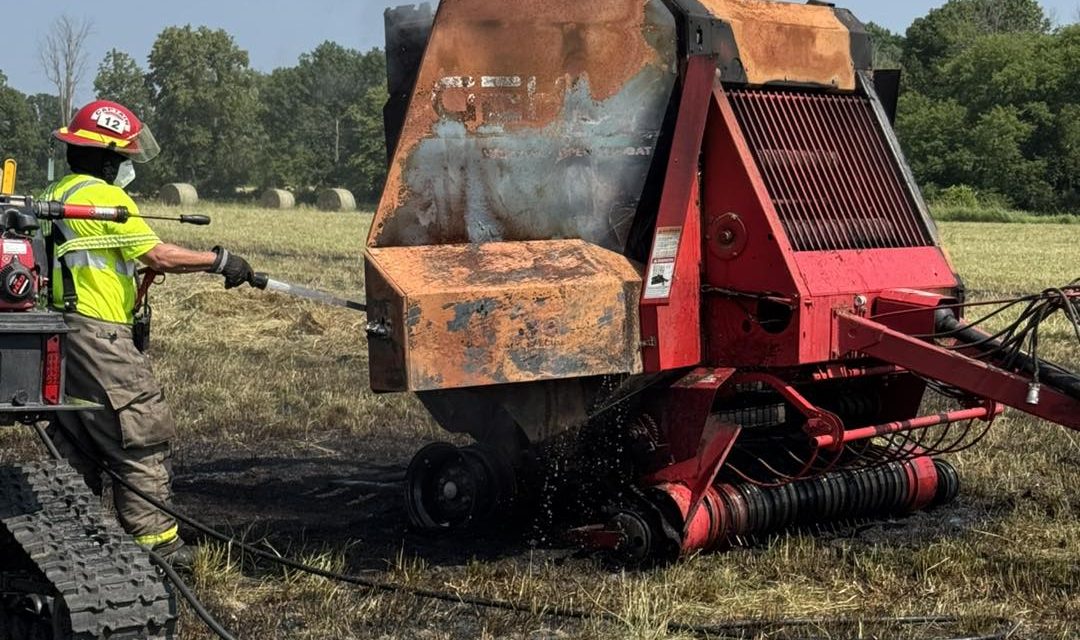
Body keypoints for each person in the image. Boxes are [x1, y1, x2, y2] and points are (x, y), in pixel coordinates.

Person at [42, 100, 255, 564]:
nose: (122, 169)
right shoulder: (107, 200)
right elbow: (157, 256)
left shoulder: (55, 194)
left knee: (78, 440)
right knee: (140, 432)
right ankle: (159, 549)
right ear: (103, 159)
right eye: (119, 160)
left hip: (58, 336)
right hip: (100, 337)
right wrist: (218, 261)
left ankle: (72, 547)